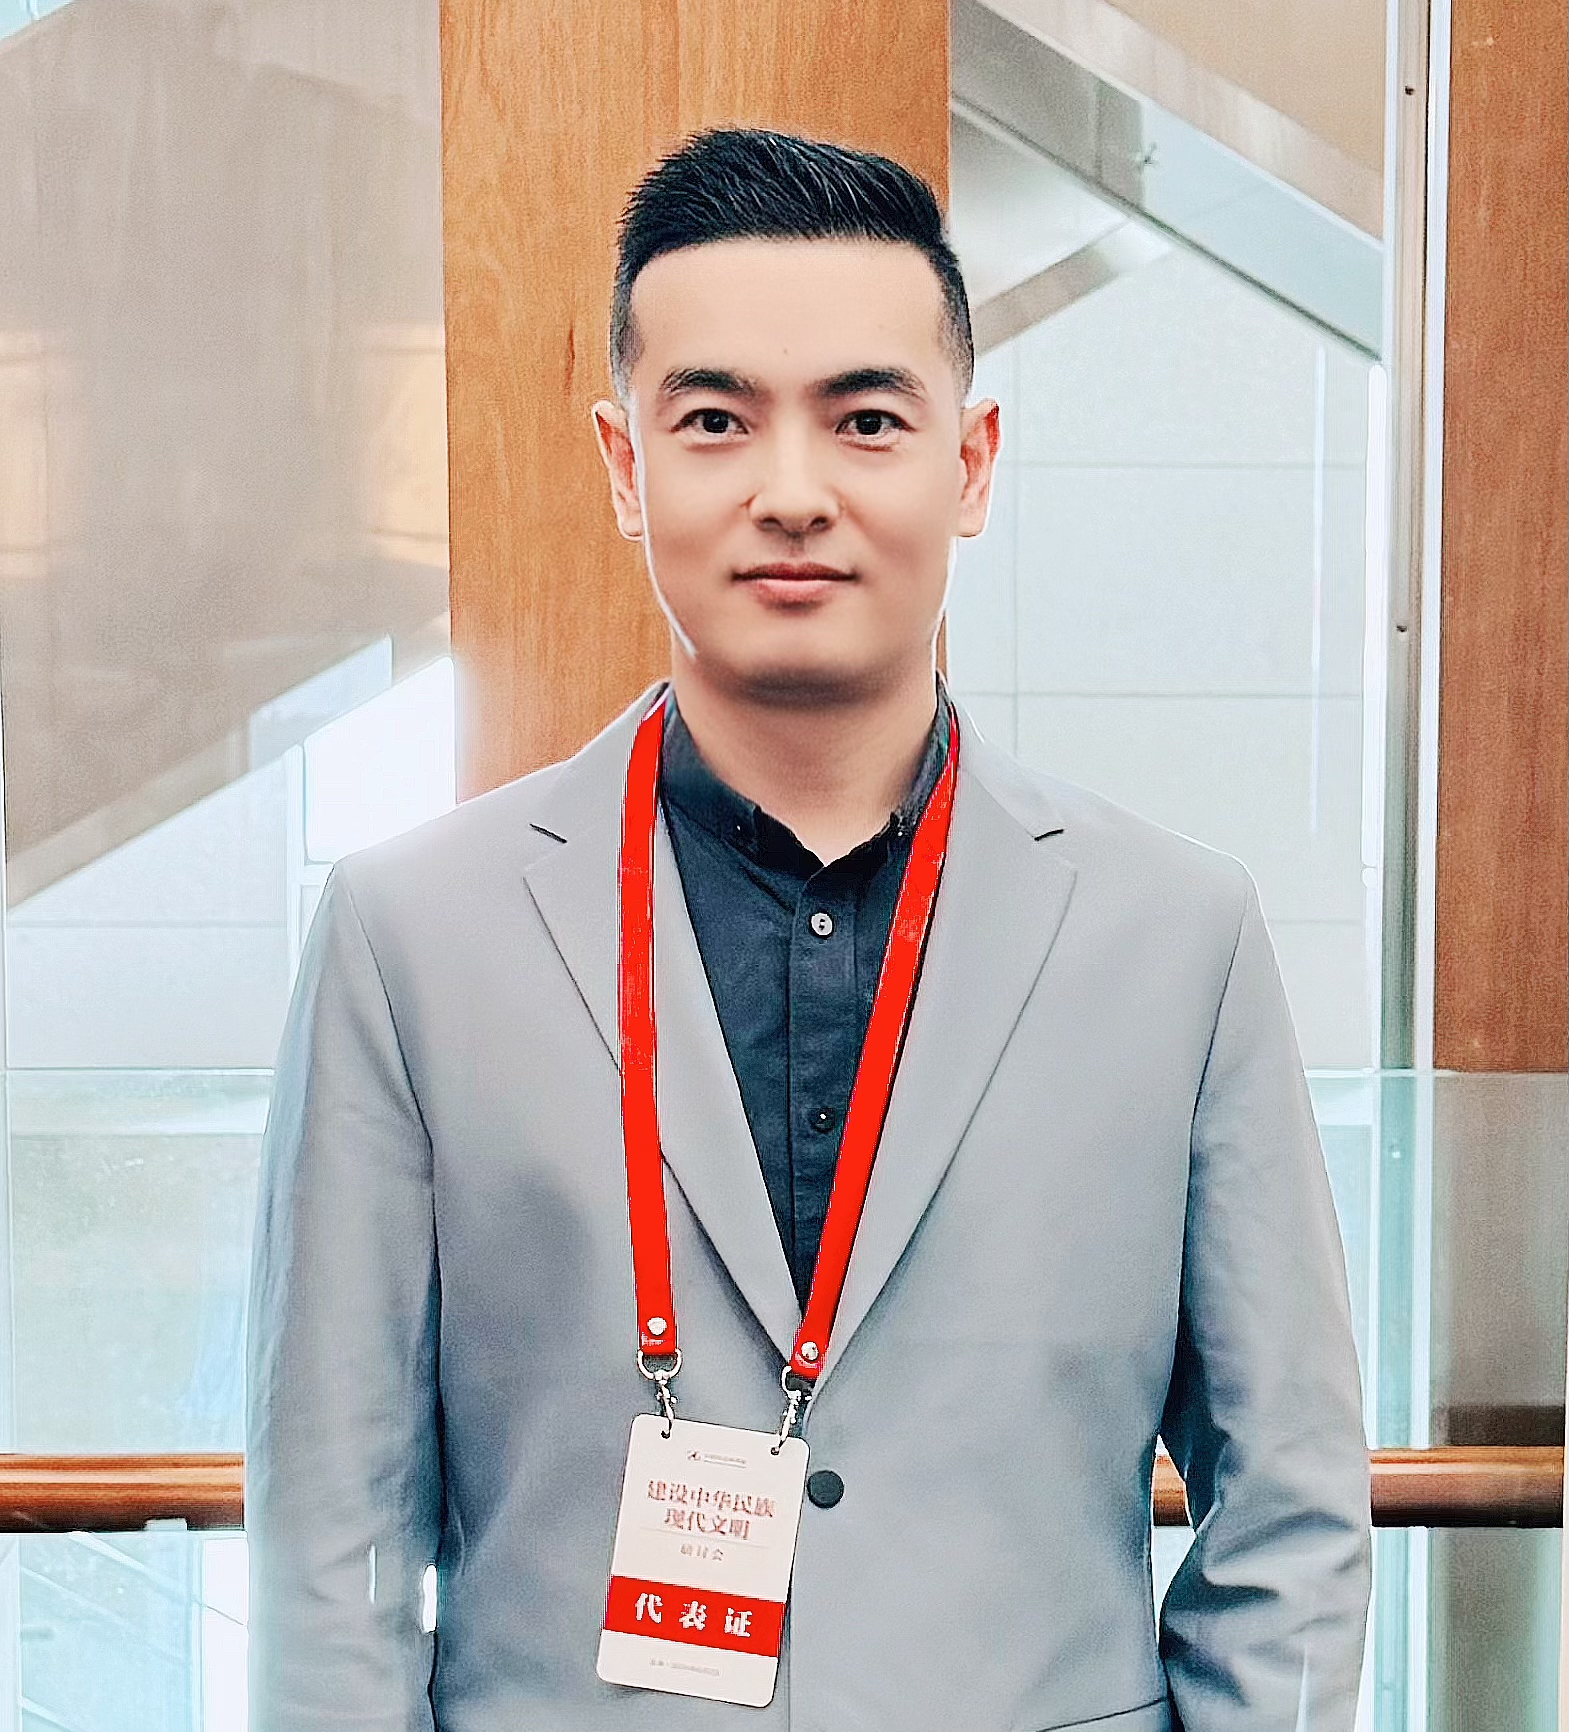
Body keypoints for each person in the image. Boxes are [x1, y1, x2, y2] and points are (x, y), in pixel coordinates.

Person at [247, 128, 1371, 1731]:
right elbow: (328, 1540)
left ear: (969, 464)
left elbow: (1291, 1504)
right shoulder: (407, 935)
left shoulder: (1175, 935)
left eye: (865, 420)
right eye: (713, 421)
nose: (790, 494)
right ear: (625, 466)